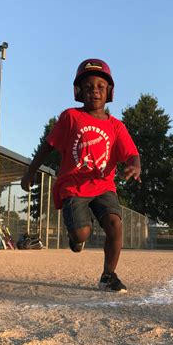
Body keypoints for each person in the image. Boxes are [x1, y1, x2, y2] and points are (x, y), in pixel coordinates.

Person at [21, 58, 141, 292]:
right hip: (73, 186)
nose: (94, 91)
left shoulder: (117, 126)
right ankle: (77, 237)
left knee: (115, 224)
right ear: (78, 91)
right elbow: (47, 145)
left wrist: (135, 166)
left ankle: (108, 276)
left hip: (104, 185)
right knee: (81, 232)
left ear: (109, 92)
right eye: (88, 87)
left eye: (100, 87)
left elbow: (132, 153)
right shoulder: (70, 117)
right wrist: (30, 171)